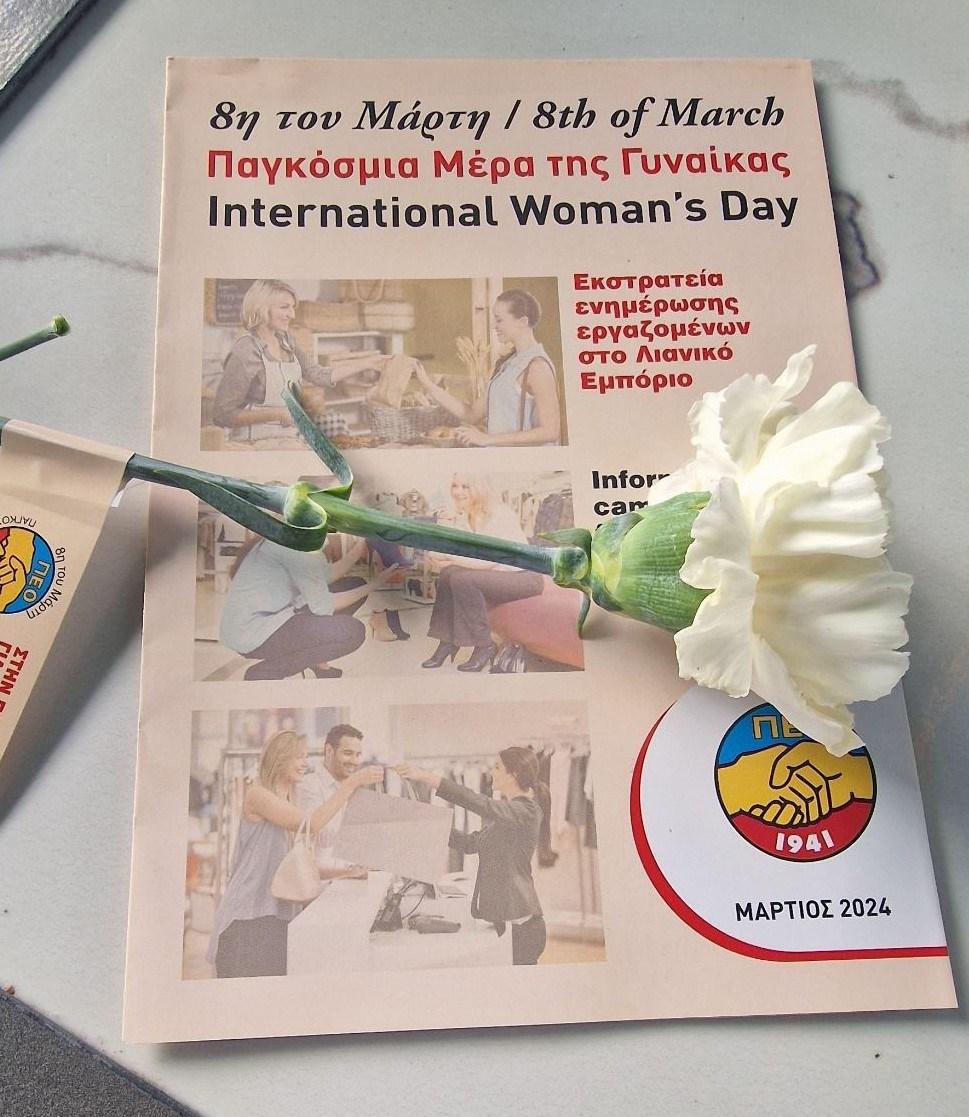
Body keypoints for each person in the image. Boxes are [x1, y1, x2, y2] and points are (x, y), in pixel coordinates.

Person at [209, 729, 383, 978]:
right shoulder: (258, 795)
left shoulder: (289, 802)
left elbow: (297, 866)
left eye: (305, 757)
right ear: (279, 758)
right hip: (247, 920)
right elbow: (312, 824)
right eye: (298, 757)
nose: (305, 764)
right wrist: (352, 783)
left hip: (277, 919)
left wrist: (347, 873)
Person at [397, 747, 548, 965]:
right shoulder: (509, 815)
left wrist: (427, 777)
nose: (492, 772)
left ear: (513, 774)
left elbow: (480, 803)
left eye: (497, 767)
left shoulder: (527, 811)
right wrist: (429, 823)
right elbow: (470, 843)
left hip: (524, 930)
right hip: (510, 927)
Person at [220, 533, 388, 679]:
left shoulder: (289, 537)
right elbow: (323, 606)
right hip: (252, 634)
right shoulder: (295, 547)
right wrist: (376, 583)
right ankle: (266, 672)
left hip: (262, 621)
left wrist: (361, 545)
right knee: (353, 632)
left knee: (354, 584)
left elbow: (324, 576)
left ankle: (317, 660)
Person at [421, 474, 543, 671]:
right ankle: (447, 642)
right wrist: (439, 549)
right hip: (498, 572)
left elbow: (488, 561)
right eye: (455, 486)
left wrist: (450, 559)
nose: (458, 492)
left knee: (462, 579)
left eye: (465, 486)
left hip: (525, 576)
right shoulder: (464, 516)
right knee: (448, 575)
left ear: (480, 489)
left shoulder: (499, 515)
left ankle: (484, 645)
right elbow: (450, 550)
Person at [211, 279, 358, 442]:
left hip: (289, 438)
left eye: (293, 307)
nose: (292, 315)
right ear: (262, 308)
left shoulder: (286, 341)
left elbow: (318, 374)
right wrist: (277, 414)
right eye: (284, 307)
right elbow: (222, 414)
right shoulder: (246, 351)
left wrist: (367, 364)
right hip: (254, 444)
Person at [414, 289, 562, 446]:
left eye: (499, 320)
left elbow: (550, 431)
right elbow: (471, 414)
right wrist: (427, 383)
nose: (494, 326)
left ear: (523, 322)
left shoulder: (537, 366)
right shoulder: (509, 364)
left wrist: (486, 439)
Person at [299, 723, 369, 877]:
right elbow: (303, 857)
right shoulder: (308, 785)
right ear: (329, 751)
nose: (354, 761)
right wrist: (347, 873)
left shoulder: (353, 788)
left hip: (347, 882)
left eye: (358, 755)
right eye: (348, 753)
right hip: (318, 887)